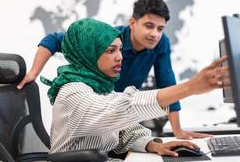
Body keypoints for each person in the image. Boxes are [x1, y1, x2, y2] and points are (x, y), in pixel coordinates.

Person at [18, 0, 208, 139]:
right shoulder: (108, 38)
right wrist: (33, 73)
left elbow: (167, 81)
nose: (155, 34)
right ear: (132, 22)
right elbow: (53, 39)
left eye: (160, 29)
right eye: (149, 26)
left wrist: (177, 131)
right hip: (97, 107)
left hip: (122, 106)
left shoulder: (160, 44)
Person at [46, 18, 229, 161]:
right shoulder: (72, 92)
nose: (119, 57)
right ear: (88, 53)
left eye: (120, 50)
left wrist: (151, 144)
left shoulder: (100, 87)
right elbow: (118, 111)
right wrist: (189, 87)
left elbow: (123, 130)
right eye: (110, 51)